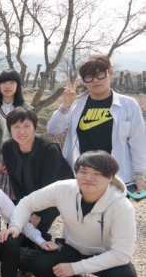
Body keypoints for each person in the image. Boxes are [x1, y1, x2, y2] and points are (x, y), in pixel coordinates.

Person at [1, 151, 138, 277]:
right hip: (72, 246)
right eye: (83, 171)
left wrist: (75, 268)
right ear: (76, 173)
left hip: (104, 253)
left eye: (97, 173)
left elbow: (121, 254)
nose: (89, 178)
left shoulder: (121, 206)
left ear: (110, 177)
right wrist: (15, 227)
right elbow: (27, 203)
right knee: (40, 265)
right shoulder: (64, 189)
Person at [47, 55, 146, 193]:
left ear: (110, 73)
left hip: (117, 177)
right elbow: (53, 129)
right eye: (89, 77)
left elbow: (138, 142)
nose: (95, 80)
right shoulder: (76, 105)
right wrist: (66, 106)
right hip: (84, 177)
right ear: (84, 81)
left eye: (100, 75)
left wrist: (138, 175)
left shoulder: (128, 105)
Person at [1, 106, 75, 277]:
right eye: (16, 127)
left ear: (34, 126)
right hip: (28, 194)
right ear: (10, 128)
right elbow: (15, 181)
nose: (21, 131)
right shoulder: (8, 147)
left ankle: (46, 274)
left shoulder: (48, 149)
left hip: (55, 195)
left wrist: (38, 212)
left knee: (39, 228)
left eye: (26, 126)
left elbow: (49, 186)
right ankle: (26, 268)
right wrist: (24, 208)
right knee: (22, 227)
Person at [0, 69, 32, 189]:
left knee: (18, 195)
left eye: (12, 82)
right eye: (4, 82)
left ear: (18, 85)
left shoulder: (27, 110)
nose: (7, 86)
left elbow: (31, 139)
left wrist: (17, 163)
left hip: (18, 158)